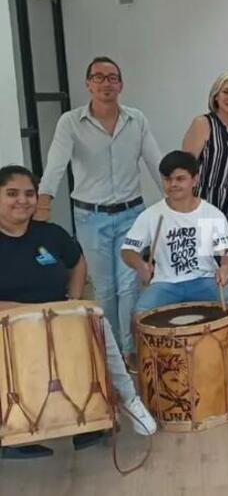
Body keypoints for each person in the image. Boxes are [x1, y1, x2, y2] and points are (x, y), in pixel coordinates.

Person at [0, 165, 156, 460]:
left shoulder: (50, 233)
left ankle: (120, 405)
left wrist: (72, 298)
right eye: (12, 194)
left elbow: (77, 262)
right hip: (7, 323)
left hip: (58, 316)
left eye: (29, 194)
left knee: (97, 319)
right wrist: (27, 314)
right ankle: (12, 433)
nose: (22, 200)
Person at [36, 56, 162, 367]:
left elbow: (155, 162)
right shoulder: (71, 122)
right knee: (105, 287)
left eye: (112, 77)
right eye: (99, 77)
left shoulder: (137, 120)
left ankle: (131, 351)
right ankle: (111, 350)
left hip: (131, 213)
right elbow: (56, 164)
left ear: (120, 84)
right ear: (88, 84)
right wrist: (43, 201)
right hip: (90, 217)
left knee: (130, 283)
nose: (106, 82)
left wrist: (178, 199)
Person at [121, 151, 228, 316]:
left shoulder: (212, 213)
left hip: (205, 280)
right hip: (165, 283)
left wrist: (226, 267)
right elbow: (127, 250)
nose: (173, 184)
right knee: (139, 315)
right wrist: (140, 265)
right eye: (167, 179)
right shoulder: (151, 215)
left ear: (195, 179)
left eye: (180, 178)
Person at [182, 71, 228, 303]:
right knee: (206, 267)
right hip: (209, 204)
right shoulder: (203, 123)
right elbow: (184, 168)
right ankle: (208, 329)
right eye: (226, 92)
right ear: (215, 95)